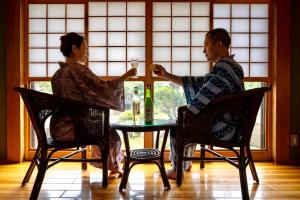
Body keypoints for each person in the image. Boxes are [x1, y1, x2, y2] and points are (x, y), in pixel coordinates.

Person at [152, 28, 245, 179]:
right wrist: (166, 75)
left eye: (206, 44)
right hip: (236, 125)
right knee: (189, 119)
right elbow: (198, 83)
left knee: (179, 126)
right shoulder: (232, 66)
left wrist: (184, 117)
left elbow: (201, 100)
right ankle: (184, 163)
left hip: (226, 129)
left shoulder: (222, 68)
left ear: (219, 45)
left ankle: (178, 168)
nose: (204, 50)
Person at [51, 32, 136, 178]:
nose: (87, 53)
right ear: (74, 48)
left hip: (58, 129)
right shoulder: (78, 70)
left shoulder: (57, 74)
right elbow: (104, 88)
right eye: (85, 48)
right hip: (73, 129)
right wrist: (126, 76)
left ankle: (112, 166)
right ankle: (113, 167)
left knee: (99, 125)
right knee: (111, 134)